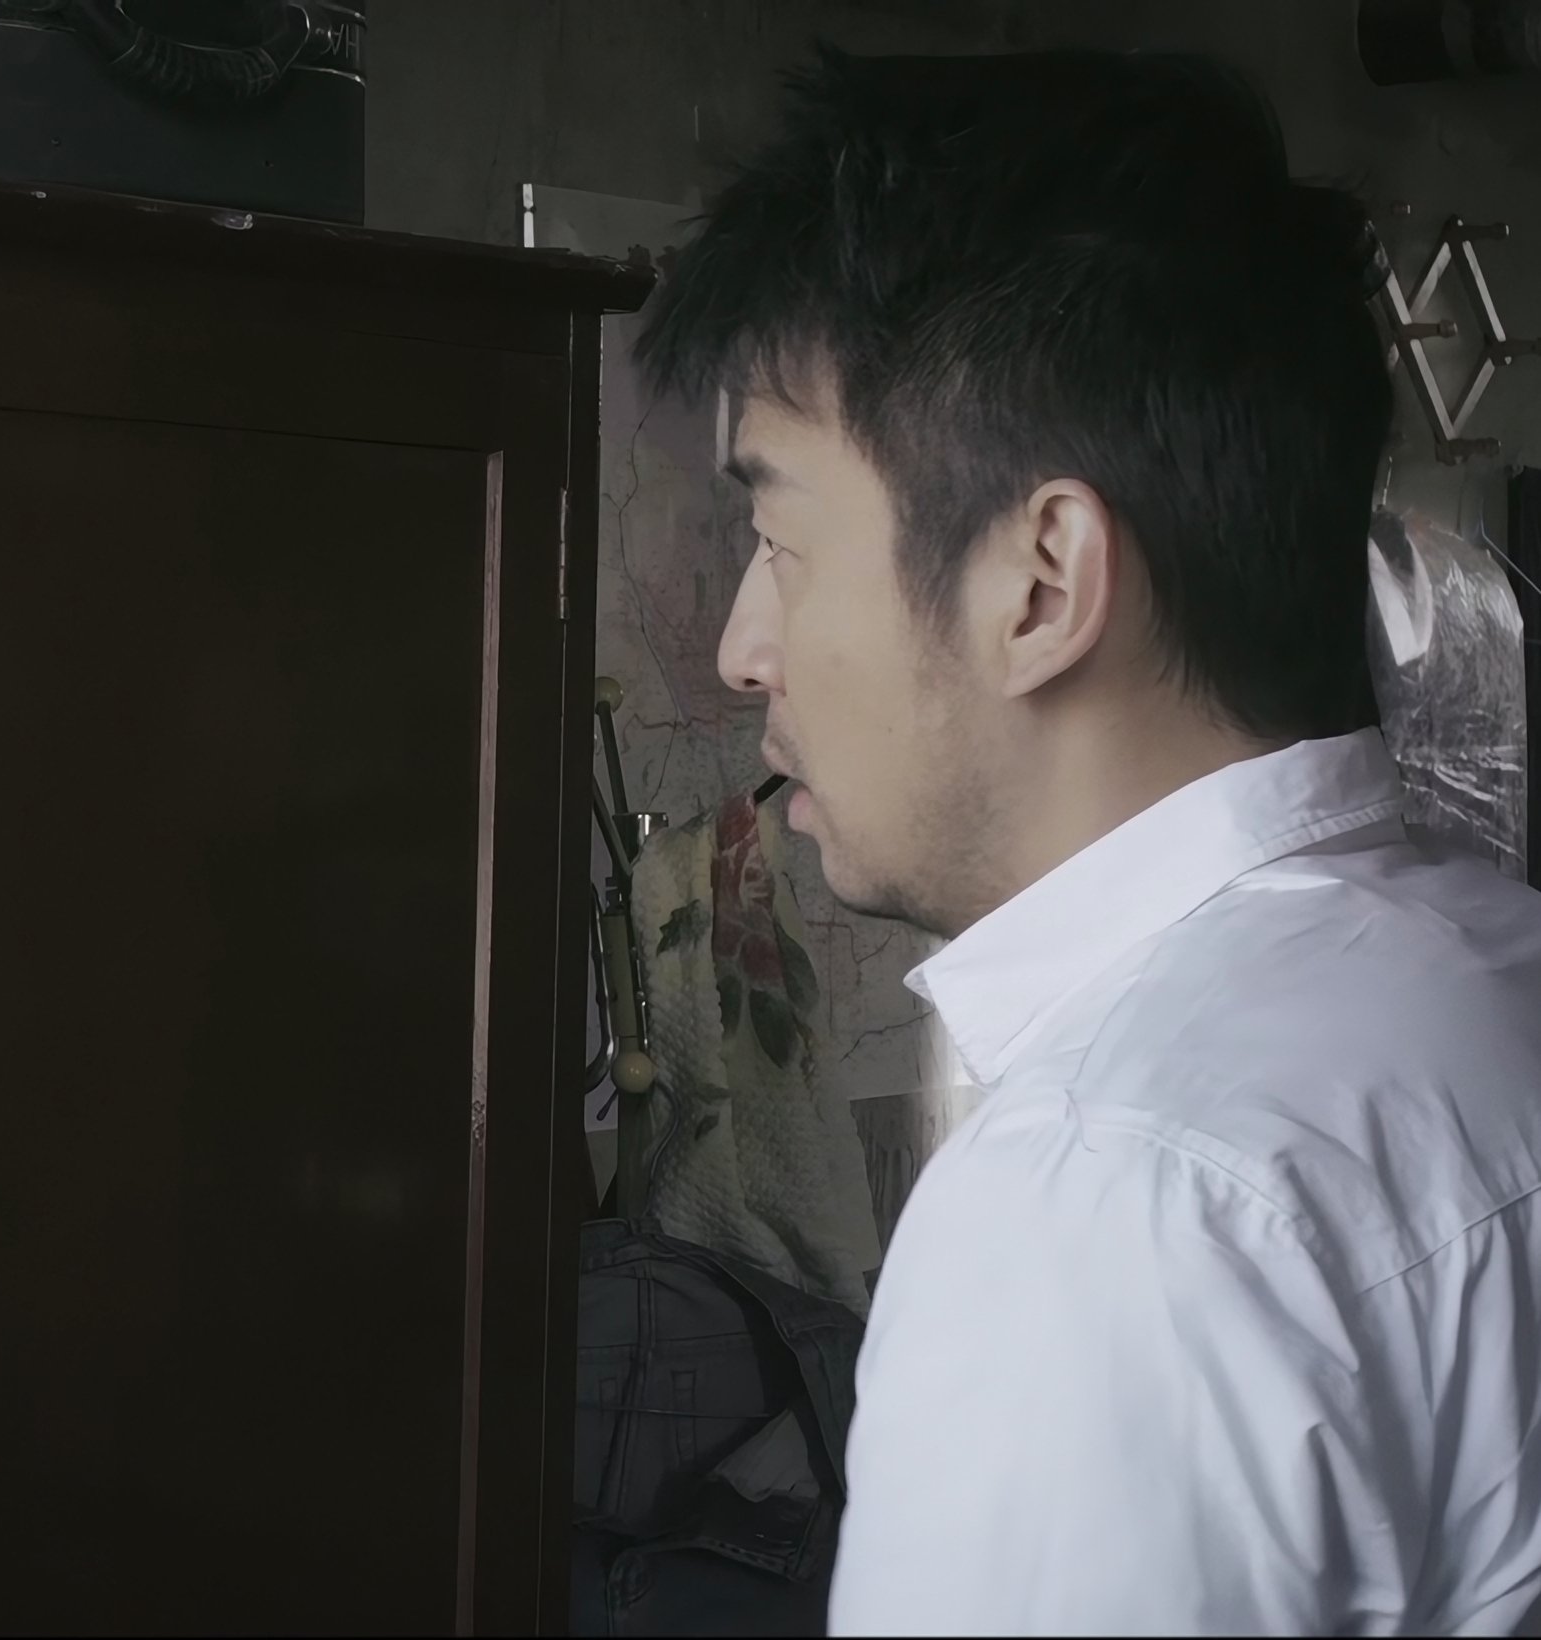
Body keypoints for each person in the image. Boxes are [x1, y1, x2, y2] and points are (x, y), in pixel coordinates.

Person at [636, 48, 1541, 1636]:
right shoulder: (1486, 961)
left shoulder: (1113, 1203)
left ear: (1042, 582)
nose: (741, 647)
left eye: (780, 539)